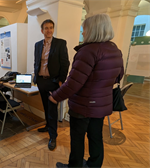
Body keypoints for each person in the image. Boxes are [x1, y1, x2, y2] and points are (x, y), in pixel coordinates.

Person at [49, 14, 124, 168]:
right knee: (96, 137)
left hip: (83, 105)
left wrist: (55, 97)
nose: (83, 33)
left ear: (94, 29)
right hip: (102, 105)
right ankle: (93, 165)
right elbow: (118, 77)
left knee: (77, 139)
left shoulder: (88, 51)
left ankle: (74, 166)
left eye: (85, 29)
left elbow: (73, 84)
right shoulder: (115, 50)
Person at [33, 19, 70, 150]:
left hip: (53, 82)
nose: (48, 30)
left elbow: (65, 63)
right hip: (41, 81)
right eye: (46, 28)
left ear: (53, 29)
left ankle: (53, 136)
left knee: (52, 110)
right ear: (42, 30)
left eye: (51, 27)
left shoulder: (60, 43)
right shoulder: (38, 45)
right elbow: (36, 62)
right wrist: (35, 77)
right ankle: (48, 126)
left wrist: (61, 81)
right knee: (45, 106)